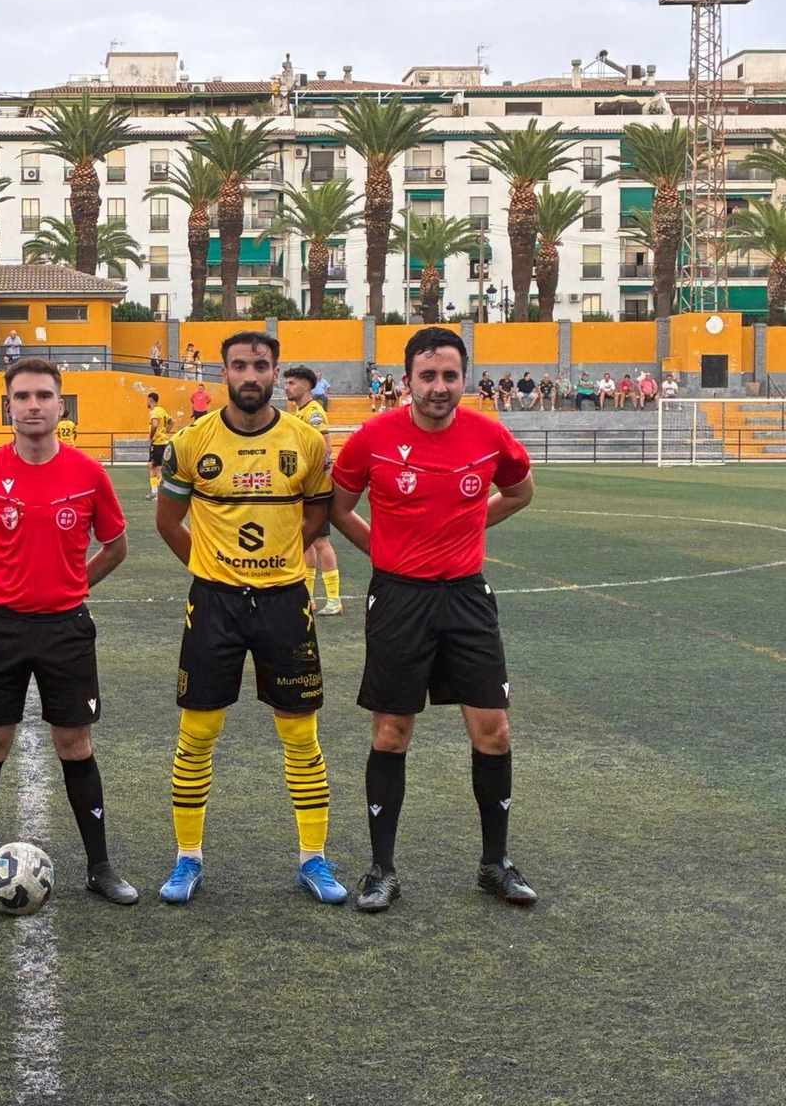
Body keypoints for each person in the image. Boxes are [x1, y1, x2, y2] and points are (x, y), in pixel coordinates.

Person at [329, 325, 539, 914]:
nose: (439, 387)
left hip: (467, 598)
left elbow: (521, 492)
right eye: (428, 376)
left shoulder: (490, 436)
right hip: (398, 599)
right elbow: (339, 509)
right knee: (392, 731)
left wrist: (472, 525)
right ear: (407, 381)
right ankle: (382, 869)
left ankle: (495, 864)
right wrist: (384, 553)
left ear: (463, 379)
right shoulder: (371, 437)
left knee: (493, 730)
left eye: (450, 376)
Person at [0, 356, 136, 908]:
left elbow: (116, 546)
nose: (34, 406)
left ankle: (100, 867)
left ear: (60, 405)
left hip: (66, 629)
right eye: (22, 397)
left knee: (75, 744)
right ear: (8, 407)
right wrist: (2, 584)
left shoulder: (89, 474)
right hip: (0, 628)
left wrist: (73, 583)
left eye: (44, 396)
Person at [155, 331, 346, 906]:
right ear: (224, 372)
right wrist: (213, 568)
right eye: (239, 365)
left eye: (260, 366)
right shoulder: (191, 442)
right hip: (214, 604)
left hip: (286, 603)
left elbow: (318, 515)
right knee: (197, 734)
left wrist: (284, 558)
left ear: (274, 370)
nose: (250, 375)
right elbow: (168, 521)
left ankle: (313, 857)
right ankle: (188, 857)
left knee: (300, 735)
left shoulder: (307, 442)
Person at [285, 366, 342, 617]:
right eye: (286, 383)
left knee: (320, 542)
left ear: (306, 386)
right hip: (302, 488)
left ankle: (334, 599)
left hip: (315, 491)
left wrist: (318, 481)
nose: (287, 387)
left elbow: (324, 449)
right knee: (305, 541)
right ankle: (307, 598)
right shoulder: (298, 413)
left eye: (291, 383)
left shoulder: (314, 412)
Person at [145, 391, 174, 500]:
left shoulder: (154, 412)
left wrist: (151, 437)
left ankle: (157, 493)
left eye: (147, 400)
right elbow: (172, 422)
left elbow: (155, 424)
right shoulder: (162, 410)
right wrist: (165, 432)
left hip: (157, 443)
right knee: (153, 466)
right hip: (164, 442)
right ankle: (156, 492)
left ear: (150, 400)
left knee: (156, 468)